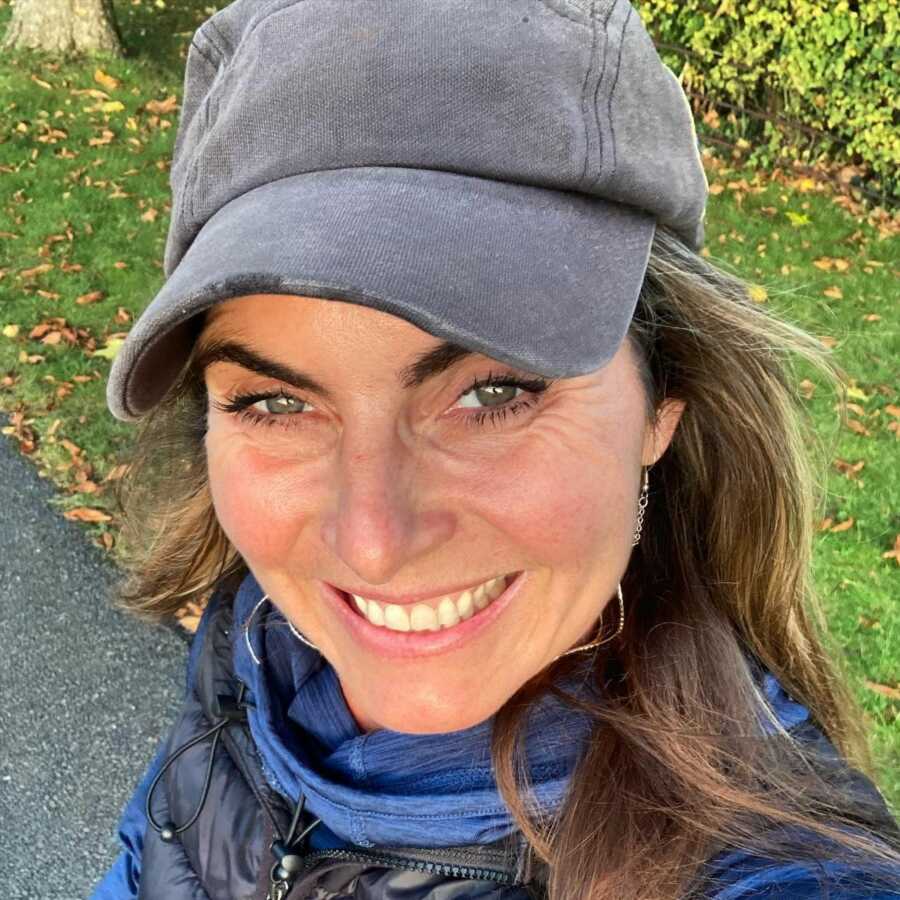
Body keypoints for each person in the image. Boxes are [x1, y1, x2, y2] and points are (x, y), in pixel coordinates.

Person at [91, 0, 900, 897]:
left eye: (492, 394)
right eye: (276, 402)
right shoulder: (255, 641)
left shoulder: (790, 875)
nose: (371, 544)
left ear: (662, 407)